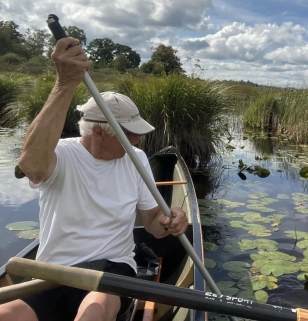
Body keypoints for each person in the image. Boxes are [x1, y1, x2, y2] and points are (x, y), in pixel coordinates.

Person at [0, 37, 189, 321]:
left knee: (94, 312)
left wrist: (170, 221)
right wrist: (64, 85)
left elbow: (152, 224)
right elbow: (31, 165)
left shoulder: (135, 158)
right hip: (53, 272)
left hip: (111, 271)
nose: (138, 140)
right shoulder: (60, 155)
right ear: (98, 132)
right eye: (129, 133)